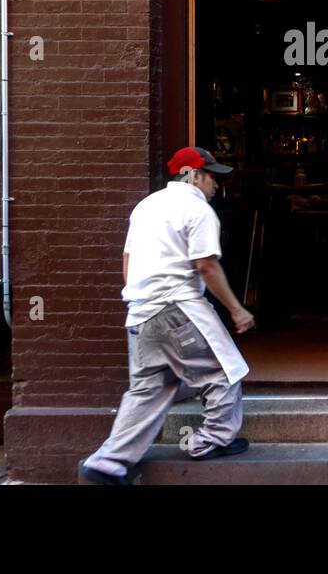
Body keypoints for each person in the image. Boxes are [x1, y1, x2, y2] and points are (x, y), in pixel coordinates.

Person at [80, 146, 256, 484]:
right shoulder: (197, 210)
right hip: (179, 307)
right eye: (211, 176)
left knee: (149, 388)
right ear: (192, 175)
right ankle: (211, 440)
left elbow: (127, 260)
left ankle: (107, 463)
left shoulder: (146, 206)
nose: (216, 185)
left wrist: (140, 298)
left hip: (141, 312)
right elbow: (205, 264)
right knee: (224, 371)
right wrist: (237, 309)